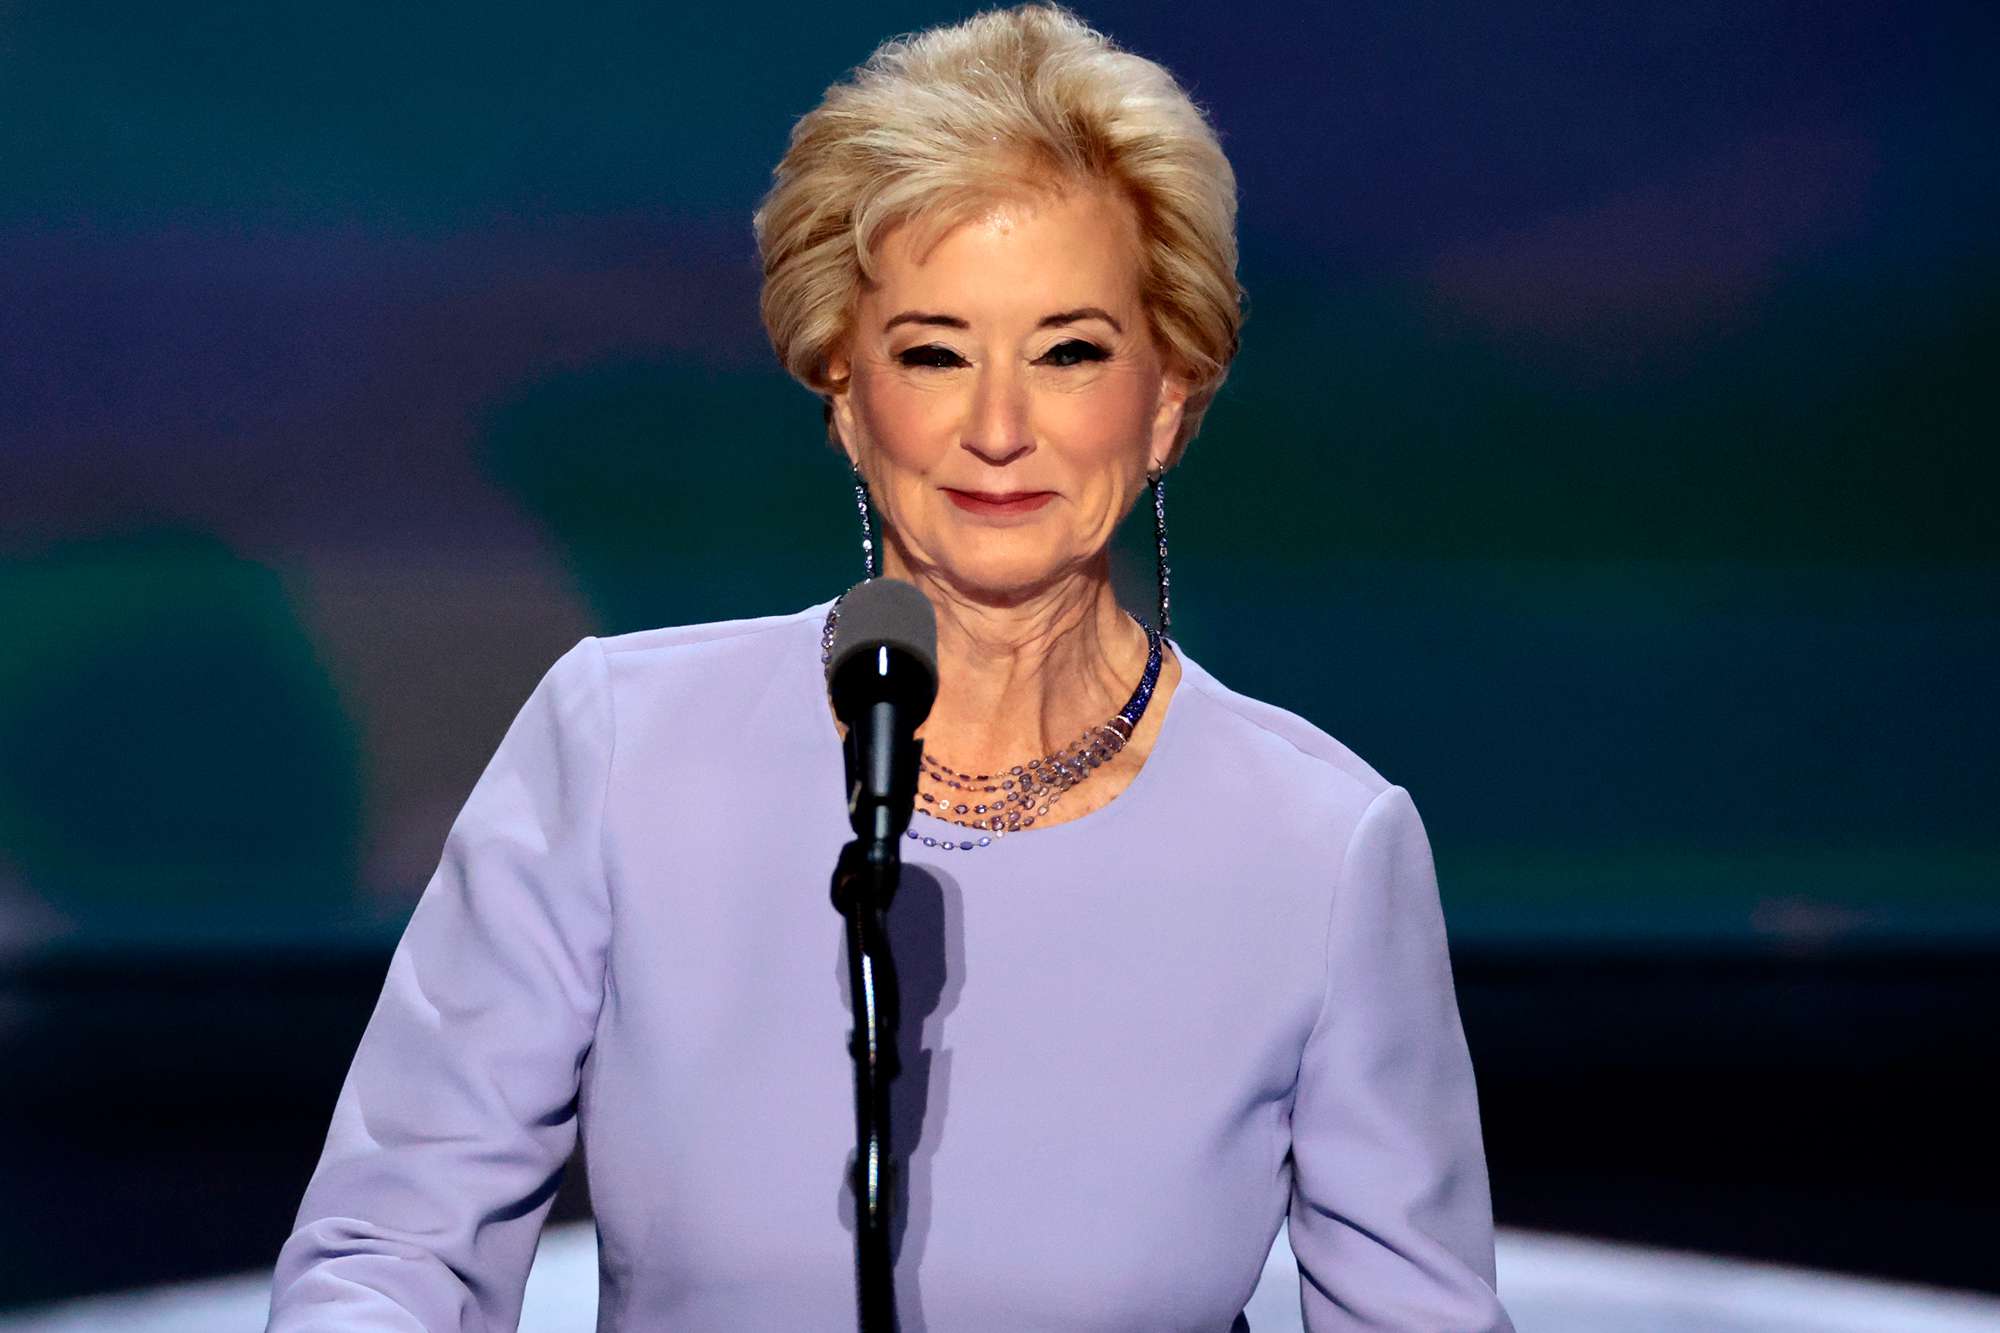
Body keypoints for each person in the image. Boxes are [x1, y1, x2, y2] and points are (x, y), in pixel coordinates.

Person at [265, 6, 1512, 1330]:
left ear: (1168, 398)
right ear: (848, 396)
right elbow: (392, 1246)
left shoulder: (1321, 846)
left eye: (1069, 351)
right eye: (933, 352)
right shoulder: (622, 748)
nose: (996, 427)